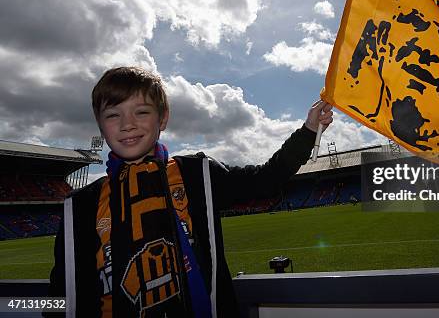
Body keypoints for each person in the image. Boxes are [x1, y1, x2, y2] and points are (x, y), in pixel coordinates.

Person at [46, 67, 333, 317]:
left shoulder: (198, 174)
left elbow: (265, 180)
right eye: (113, 114)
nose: (127, 124)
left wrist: (308, 131)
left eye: (141, 111)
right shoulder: (79, 207)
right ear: (100, 125)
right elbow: (61, 295)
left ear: (163, 119)